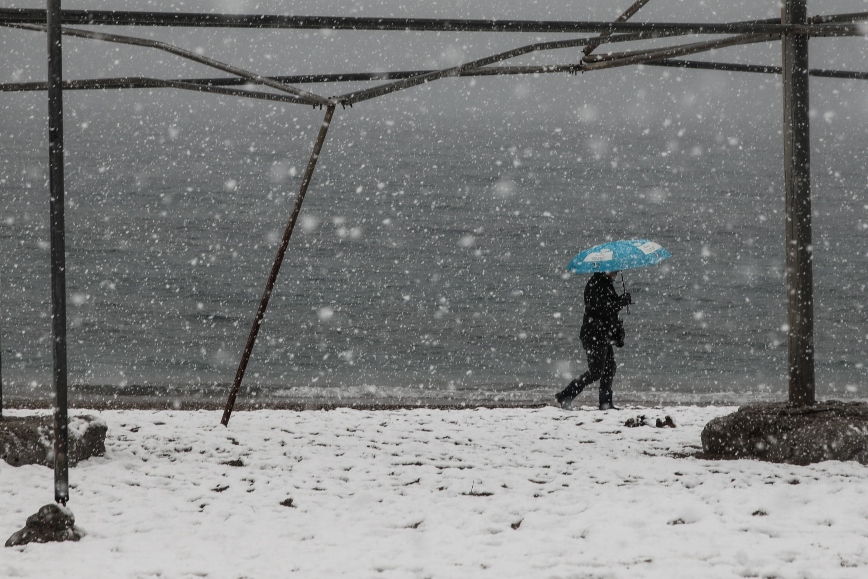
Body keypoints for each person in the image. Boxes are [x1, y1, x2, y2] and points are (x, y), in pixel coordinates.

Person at [555, 270, 632, 410]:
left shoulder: (605, 283)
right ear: (605, 270)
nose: (616, 272)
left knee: (609, 368)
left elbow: (609, 308)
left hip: (602, 333)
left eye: (616, 270)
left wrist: (620, 301)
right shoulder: (596, 285)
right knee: (596, 371)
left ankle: (605, 402)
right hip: (594, 334)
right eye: (613, 270)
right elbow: (602, 310)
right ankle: (566, 395)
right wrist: (620, 302)